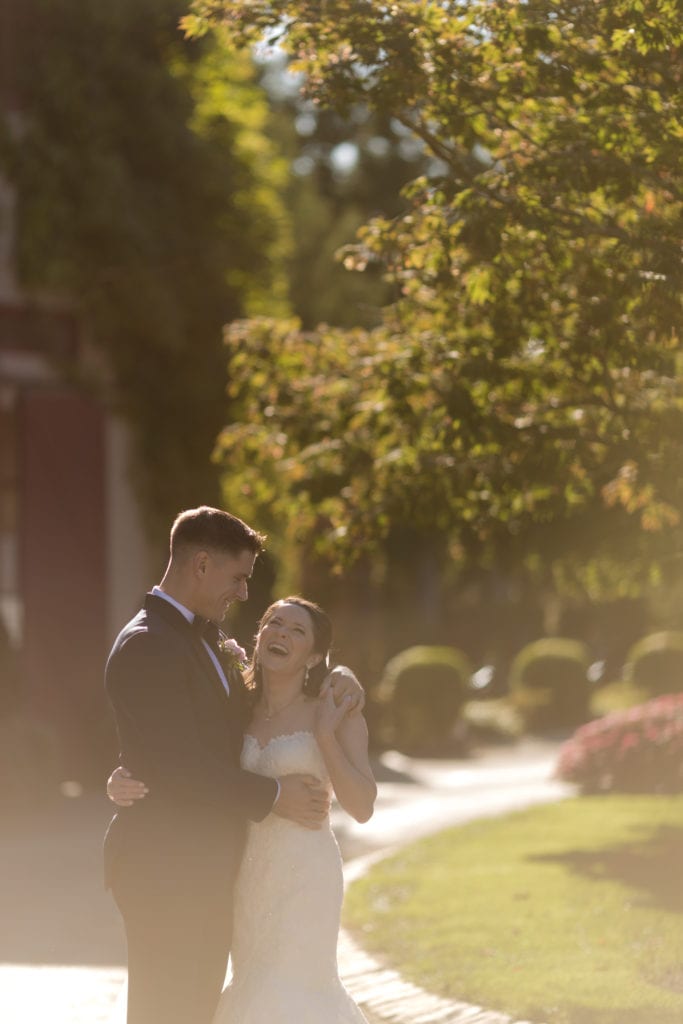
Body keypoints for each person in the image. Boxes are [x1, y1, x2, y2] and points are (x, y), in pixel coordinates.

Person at [104, 507, 363, 1024]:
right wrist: (273, 796)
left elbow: (216, 728)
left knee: (197, 1008)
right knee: (166, 1010)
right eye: (239, 577)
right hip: (167, 867)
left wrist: (344, 674)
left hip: (216, 870)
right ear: (201, 565)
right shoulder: (150, 643)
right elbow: (177, 762)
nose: (245, 594)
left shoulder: (202, 641)